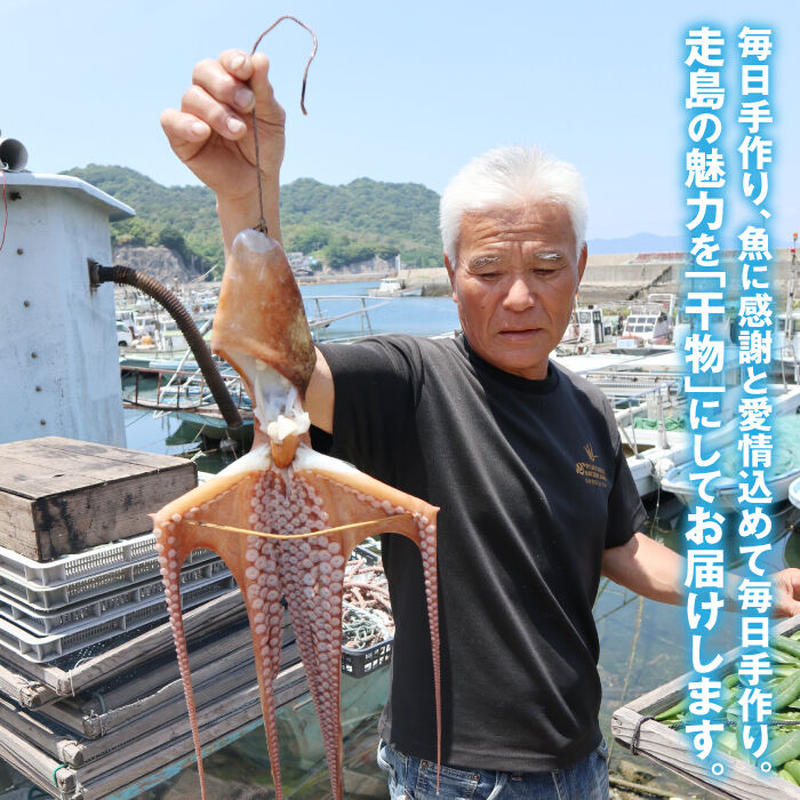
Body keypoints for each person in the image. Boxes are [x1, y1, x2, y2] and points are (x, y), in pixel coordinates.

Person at [162, 50, 800, 800]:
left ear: (583, 267)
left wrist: (747, 587)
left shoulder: (589, 408)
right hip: (454, 776)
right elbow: (281, 365)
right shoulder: (410, 383)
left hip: (581, 757)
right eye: (490, 270)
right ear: (452, 271)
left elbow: (625, 549)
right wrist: (249, 194)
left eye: (548, 266)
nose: (521, 297)